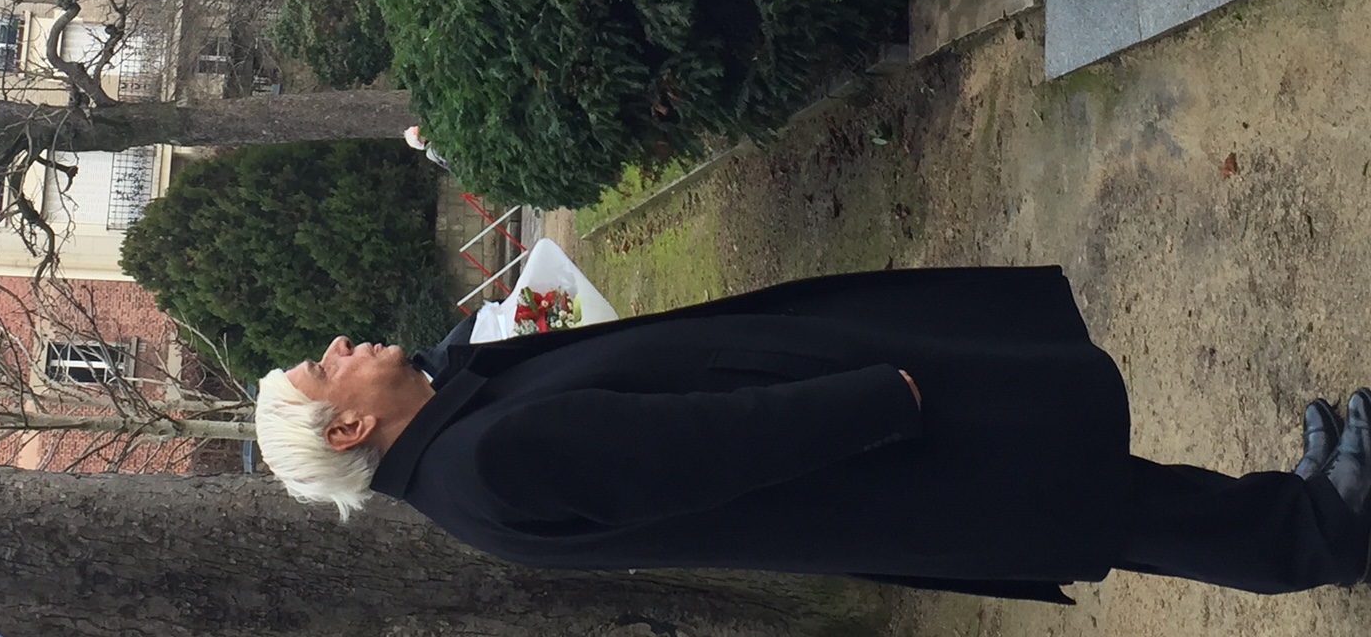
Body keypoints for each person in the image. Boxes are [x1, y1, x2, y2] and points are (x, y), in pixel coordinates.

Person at [254, 266, 1371, 601]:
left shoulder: (454, 440)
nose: (348, 338)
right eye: (329, 364)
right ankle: (1323, 532)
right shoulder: (482, 465)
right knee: (1098, 502)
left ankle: (1299, 507)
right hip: (877, 442)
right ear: (348, 424)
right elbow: (712, 448)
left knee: (1088, 482)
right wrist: (883, 399)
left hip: (879, 442)